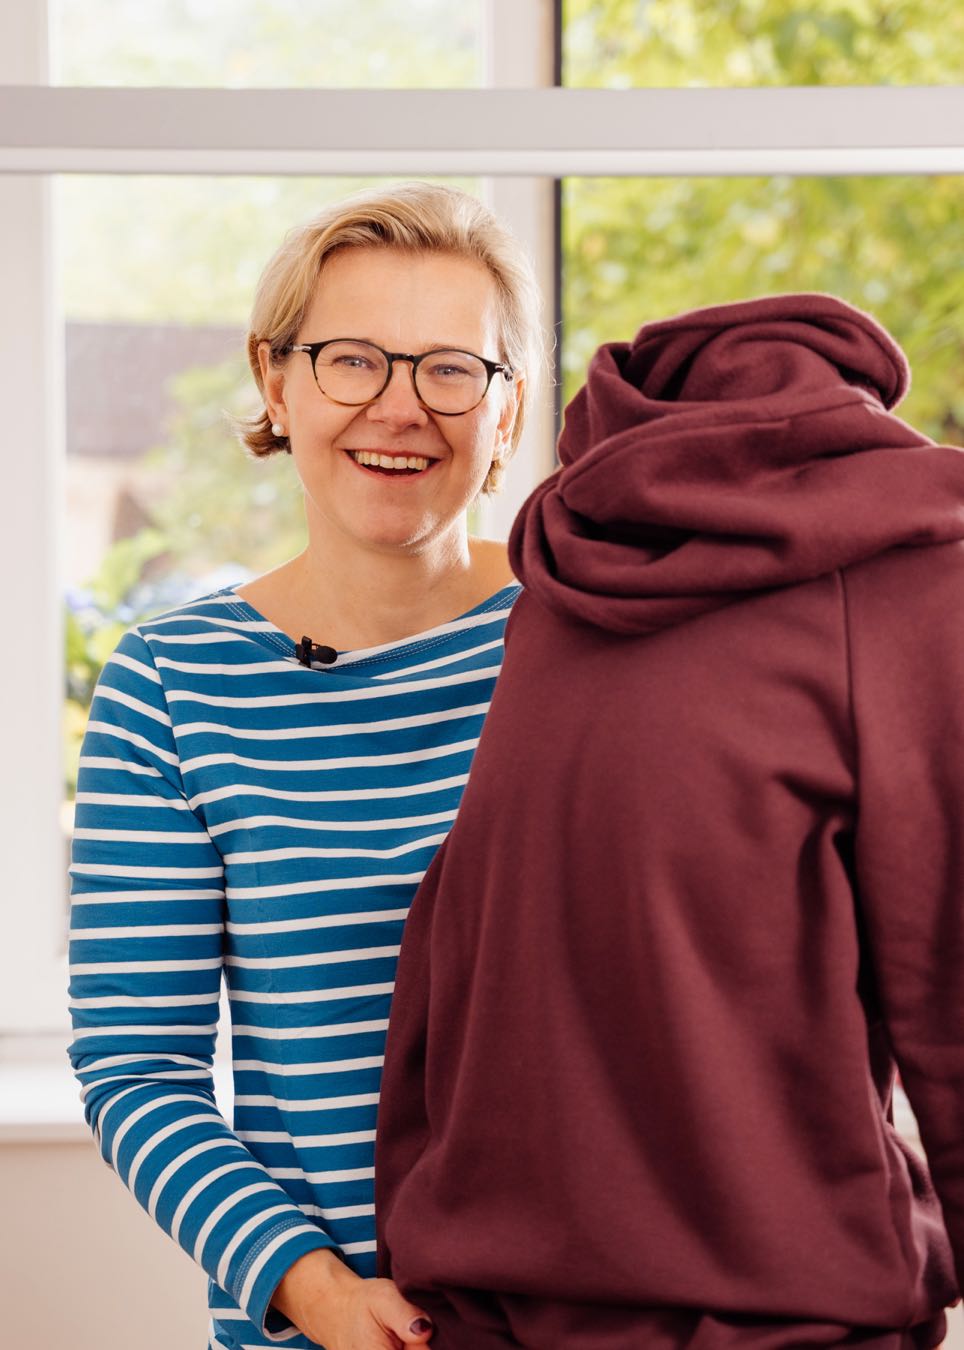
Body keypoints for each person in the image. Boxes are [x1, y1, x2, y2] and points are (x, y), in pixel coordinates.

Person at [375, 293, 964, 1349]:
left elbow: (449, 943)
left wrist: (420, 1221)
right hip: (791, 1311)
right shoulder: (911, 582)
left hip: (493, 1304)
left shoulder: (553, 592)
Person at [67, 180, 544, 1350]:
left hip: (593, 1312)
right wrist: (320, 1295)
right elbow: (138, 1068)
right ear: (275, 380)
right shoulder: (171, 687)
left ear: (508, 411)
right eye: (351, 360)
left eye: (449, 369)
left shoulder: (587, 650)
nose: (400, 407)